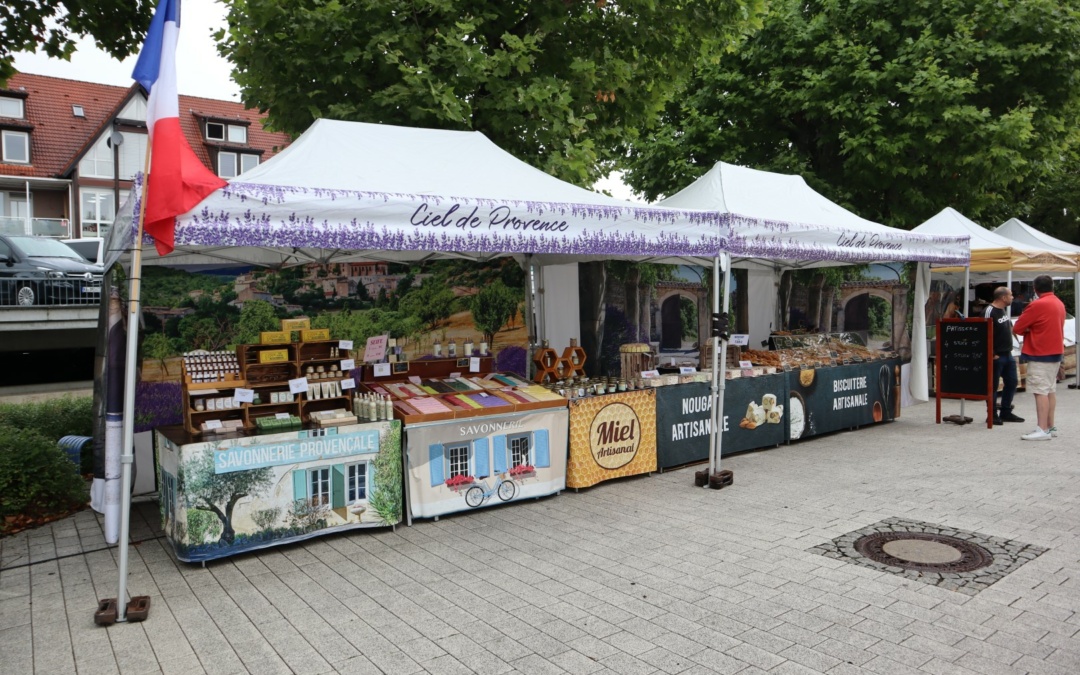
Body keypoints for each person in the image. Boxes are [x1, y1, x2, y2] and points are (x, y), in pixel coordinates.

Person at [1012, 275, 1066, 441]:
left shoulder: (1037, 305)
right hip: (1055, 351)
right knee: (1050, 390)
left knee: (1040, 391)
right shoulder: (1058, 302)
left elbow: (1018, 327)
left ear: (1035, 288)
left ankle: (1042, 429)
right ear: (1052, 287)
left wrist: (1030, 330)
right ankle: (1050, 426)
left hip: (1040, 352)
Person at [983, 287, 1023, 425]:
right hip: (996, 356)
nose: (1013, 298)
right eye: (1011, 295)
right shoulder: (989, 311)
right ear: (1003, 297)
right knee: (993, 387)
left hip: (1008, 354)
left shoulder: (1003, 310)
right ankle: (992, 415)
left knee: (1012, 383)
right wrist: (992, 353)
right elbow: (984, 333)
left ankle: (1005, 411)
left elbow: (1008, 328)